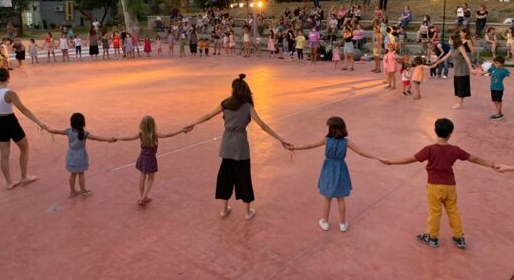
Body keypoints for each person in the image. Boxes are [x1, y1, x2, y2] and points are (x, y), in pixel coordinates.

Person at [380, 118, 497, 249]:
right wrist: (491, 164)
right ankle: (459, 237)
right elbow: (474, 158)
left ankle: (433, 238)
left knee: (435, 212)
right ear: (451, 133)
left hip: (434, 186)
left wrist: (391, 162)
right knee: (453, 211)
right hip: (450, 186)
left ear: (435, 131)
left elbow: (411, 159)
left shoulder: (429, 149)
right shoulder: (455, 150)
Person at [185, 74, 288, 220]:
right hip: (240, 146)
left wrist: (193, 123)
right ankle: (247, 212)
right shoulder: (247, 107)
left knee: (226, 175)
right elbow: (262, 125)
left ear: (233, 90)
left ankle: (224, 209)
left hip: (227, 144)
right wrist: (280, 138)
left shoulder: (226, 103)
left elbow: (208, 115)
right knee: (243, 176)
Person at [285, 116, 379, 232]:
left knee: (327, 198)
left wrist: (294, 147)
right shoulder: (346, 142)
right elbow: (361, 152)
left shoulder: (326, 140)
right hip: (341, 169)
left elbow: (310, 145)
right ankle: (343, 224)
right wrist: (377, 157)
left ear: (332, 129)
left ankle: (325, 222)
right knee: (341, 198)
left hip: (328, 169)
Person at [0, 68, 46, 189]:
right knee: (24, 147)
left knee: (4, 154)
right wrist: (38, 122)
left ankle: (9, 183)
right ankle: (24, 176)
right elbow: (23, 109)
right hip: (10, 121)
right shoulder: (10, 93)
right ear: (8, 77)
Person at [116, 116, 189, 205]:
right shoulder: (154, 134)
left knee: (142, 176)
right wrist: (181, 130)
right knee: (150, 179)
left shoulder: (141, 134)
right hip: (150, 159)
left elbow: (128, 138)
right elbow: (168, 134)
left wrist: (117, 138)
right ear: (153, 125)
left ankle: (142, 196)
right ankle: (143, 197)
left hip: (142, 157)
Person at [46, 113, 115, 197]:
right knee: (81, 174)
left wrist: (48, 129)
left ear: (71, 123)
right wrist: (108, 139)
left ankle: (72, 191)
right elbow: (96, 138)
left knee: (73, 174)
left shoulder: (68, 131)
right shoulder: (84, 133)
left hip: (71, 156)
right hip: (80, 157)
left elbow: (57, 131)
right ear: (83, 123)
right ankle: (83, 191)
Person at [432, 34, 476, 109]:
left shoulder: (460, 47)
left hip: (462, 70)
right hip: (456, 70)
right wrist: (437, 63)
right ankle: (457, 102)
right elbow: (446, 56)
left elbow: (467, 58)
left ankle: (459, 104)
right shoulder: (452, 48)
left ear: (454, 40)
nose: (449, 41)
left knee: (461, 87)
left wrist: (471, 68)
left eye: (450, 39)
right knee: (458, 87)